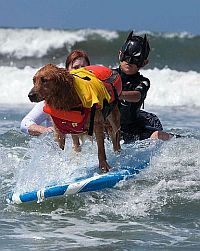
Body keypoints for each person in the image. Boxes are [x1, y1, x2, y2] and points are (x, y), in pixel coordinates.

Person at [115, 31, 172, 143]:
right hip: (111, 127)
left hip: (133, 127)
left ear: (144, 62)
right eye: (126, 56)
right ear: (120, 54)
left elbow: (137, 96)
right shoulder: (108, 76)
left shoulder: (143, 82)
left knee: (159, 135)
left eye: (135, 59)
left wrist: (118, 94)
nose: (129, 61)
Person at [20, 50, 90, 136]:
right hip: (57, 147)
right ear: (67, 71)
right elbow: (25, 124)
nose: (79, 71)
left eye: (83, 67)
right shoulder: (51, 100)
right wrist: (47, 130)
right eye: (75, 68)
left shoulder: (94, 99)